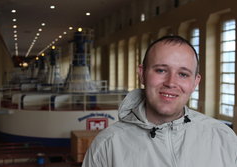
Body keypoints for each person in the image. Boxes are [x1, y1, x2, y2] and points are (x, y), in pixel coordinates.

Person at [82, 35, 237, 167]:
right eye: (161, 70)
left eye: (183, 74)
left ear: (195, 82)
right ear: (142, 74)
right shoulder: (107, 146)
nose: (171, 82)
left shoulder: (223, 138)